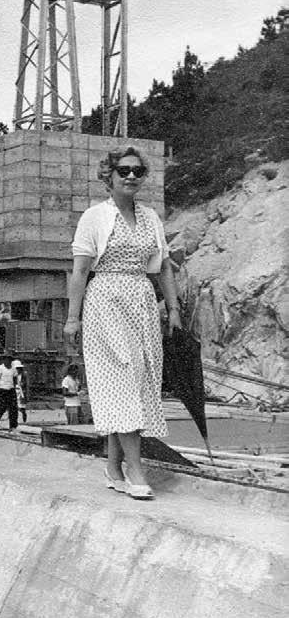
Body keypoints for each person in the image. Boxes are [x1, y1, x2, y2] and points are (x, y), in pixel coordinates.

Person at [64, 146, 181, 499]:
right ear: (109, 176)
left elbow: (163, 267)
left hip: (141, 302)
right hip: (106, 302)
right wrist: (72, 318)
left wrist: (173, 309)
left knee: (138, 383)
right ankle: (136, 469)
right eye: (124, 170)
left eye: (137, 171)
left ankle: (113, 467)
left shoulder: (150, 217)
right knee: (123, 380)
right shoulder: (94, 217)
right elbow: (80, 271)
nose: (131, 176)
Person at [0, 352, 19, 432]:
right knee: (2, 408)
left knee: (13, 408)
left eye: (9, 360)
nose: (8, 361)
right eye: (6, 359)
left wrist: (15, 387)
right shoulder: (1, 368)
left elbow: (15, 379)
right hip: (2, 390)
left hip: (11, 389)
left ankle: (13, 426)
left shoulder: (13, 369)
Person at [12, 354, 29, 423]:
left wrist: (27, 394)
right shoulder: (12, 375)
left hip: (21, 392)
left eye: (18, 368)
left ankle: (24, 418)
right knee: (14, 407)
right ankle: (14, 421)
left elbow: (27, 385)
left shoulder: (24, 375)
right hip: (14, 392)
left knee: (22, 407)